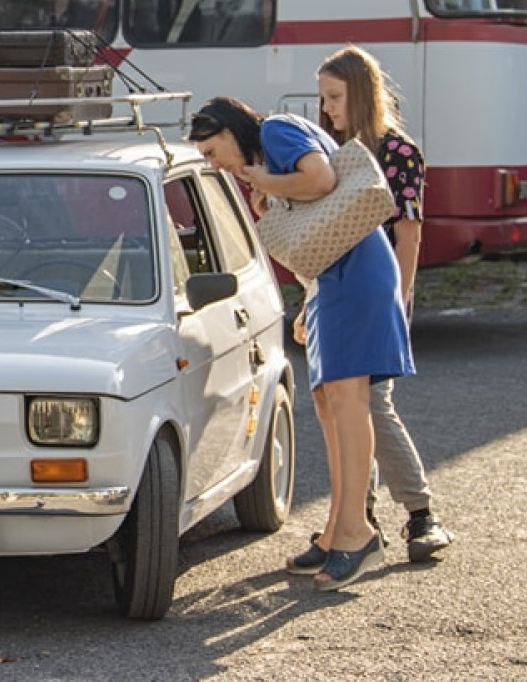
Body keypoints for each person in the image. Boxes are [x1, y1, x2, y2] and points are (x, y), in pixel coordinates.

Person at [189, 96, 414, 591]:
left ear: (229, 132)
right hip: (338, 275)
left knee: (349, 400)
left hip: (355, 272)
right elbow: (316, 214)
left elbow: (322, 181)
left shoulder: (275, 133)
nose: (215, 164)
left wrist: (262, 180)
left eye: (211, 151)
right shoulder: (273, 145)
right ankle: (340, 528)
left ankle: (358, 533)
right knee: (330, 400)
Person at [313, 45, 453, 562]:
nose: (325, 108)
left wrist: (397, 302)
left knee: (370, 403)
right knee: (344, 403)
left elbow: (408, 237)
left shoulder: (396, 150)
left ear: (362, 94)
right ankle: (359, 517)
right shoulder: (332, 148)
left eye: (334, 97)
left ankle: (420, 513)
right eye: (323, 97)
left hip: (378, 294)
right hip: (336, 292)